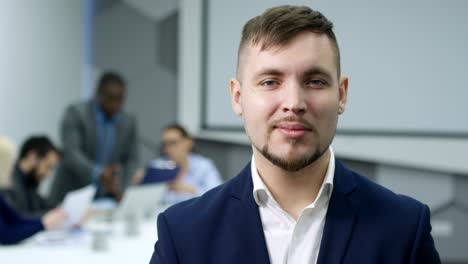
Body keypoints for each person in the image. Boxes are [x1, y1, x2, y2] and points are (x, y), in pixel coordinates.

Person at [150, 5, 440, 264]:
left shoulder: (403, 228)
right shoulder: (183, 233)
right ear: (237, 97)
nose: (293, 103)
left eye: (314, 81)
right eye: (270, 81)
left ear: (341, 95)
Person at [50, 71, 139, 203]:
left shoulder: (128, 120)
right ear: (99, 94)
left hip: (108, 197)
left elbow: (131, 159)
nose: (116, 105)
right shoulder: (76, 113)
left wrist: (123, 188)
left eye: (120, 99)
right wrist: (98, 173)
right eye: (111, 99)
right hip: (73, 192)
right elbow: (71, 153)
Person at [0, 136, 67, 245]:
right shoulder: (11, 185)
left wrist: (58, 214)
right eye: (9, 165)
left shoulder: (30, 182)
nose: (11, 169)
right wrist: (43, 223)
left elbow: (16, 218)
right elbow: (5, 234)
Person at [135, 124, 222, 205]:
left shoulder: (204, 166)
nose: (168, 149)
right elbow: (144, 201)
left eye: (173, 143)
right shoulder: (156, 166)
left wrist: (190, 190)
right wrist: (140, 185)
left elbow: (218, 197)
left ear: (188, 142)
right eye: (165, 144)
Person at [6, 136, 59, 217]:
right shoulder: (8, 181)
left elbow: (45, 206)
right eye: (47, 166)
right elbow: (17, 218)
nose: (47, 173)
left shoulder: (30, 183)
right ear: (32, 156)